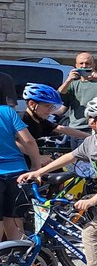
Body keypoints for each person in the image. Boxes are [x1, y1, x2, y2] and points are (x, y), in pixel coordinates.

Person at [21, 95, 97, 266]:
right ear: (92, 123)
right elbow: (70, 157)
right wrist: (39, 172)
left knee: (91, 232)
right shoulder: (90, 142)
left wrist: (95, 199)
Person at [0, 100, 41, 240]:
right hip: (18, 172)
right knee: (14, 219)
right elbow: (28, 140)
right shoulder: (7, 111)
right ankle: (18, 258)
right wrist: (36, 167)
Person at [58, 51, 97, 130]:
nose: (84, 66)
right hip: (75, 128)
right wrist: (68, 80)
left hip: (94, 129)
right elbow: (60, 95)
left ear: (93, 65)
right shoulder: (72, 84)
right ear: (76, 66)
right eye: (81, 63)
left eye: (87, 63)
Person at [19, 84, 86, 145]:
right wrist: (37, 157)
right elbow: (17, 143)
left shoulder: (39, 119)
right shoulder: (21, 119)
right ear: (32, 104)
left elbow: (61, 128)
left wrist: (89, 136)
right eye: (47, 106)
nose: (50, 110)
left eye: (52, 106)